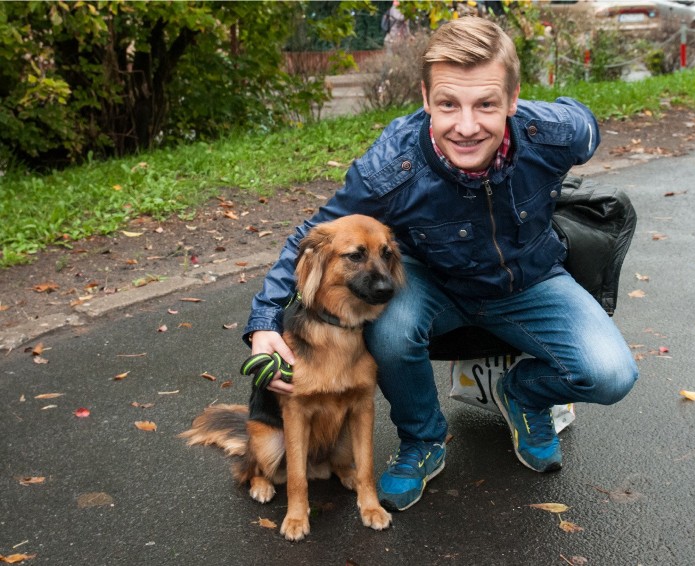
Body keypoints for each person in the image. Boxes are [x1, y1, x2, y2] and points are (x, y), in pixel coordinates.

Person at [244, 16, 638, 512]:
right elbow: (310, 237)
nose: (467, 126)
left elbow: (586, 123)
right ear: (426, 99)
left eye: (487, 104)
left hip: (531, 281)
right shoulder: (392, 166)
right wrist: (263, 324)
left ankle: (523, 395)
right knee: (387, 330)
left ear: (513, 101)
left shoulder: (552, 133)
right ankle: (423, 439)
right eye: (449, 103)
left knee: (611, 374)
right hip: (438, 285)